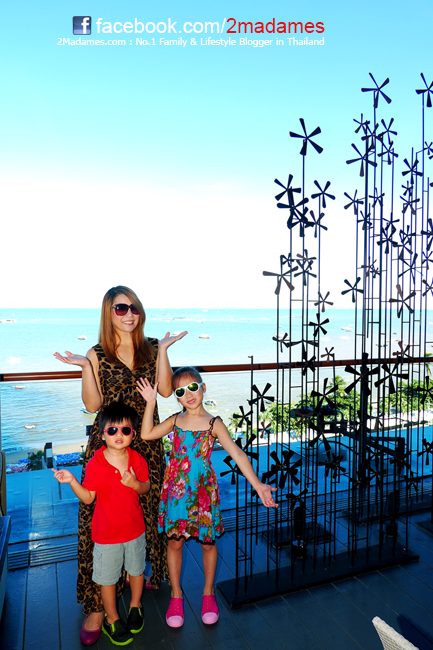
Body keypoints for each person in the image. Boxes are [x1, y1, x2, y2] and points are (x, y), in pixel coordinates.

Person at [54, 286, 187, 644]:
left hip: (147, 442)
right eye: (120, 308)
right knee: (98, 520)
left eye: (134, 308)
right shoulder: (97, 353)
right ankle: (98, 605)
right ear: (108, 313)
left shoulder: (152, 346)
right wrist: (86, 367)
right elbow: (92, 404)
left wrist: (164, 350)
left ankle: (136, 574)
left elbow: (164, 391)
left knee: (145, 514)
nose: (129, 314)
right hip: (110, 444)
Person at [136, 366, 278, 629]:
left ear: (203, 388)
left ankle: (208, 593)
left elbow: (237, 454)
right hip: (177, 493)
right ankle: (176, 595)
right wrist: (151, 403)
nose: (188, 394)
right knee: (175, 543)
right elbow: (146, 434)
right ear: (176, 397)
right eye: (180, 391)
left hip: (203, 493)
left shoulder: (215, 424)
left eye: (192, 387)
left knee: (207, 543)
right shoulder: (175, 420)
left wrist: (258, 485)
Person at [52, 401, 149, 646]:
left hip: (135, 530)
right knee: (107, 579)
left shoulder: (137, 459)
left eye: (125, 430)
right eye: (112, 430)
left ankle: (135, 606)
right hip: (106, 535)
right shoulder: (95, 464)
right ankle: (112, 618)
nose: (119, 434)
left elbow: (146, 487)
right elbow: (88, 497)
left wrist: (135, 484)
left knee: (137, 570)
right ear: (103, 434)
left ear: (133, 434)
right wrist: (73, 481)